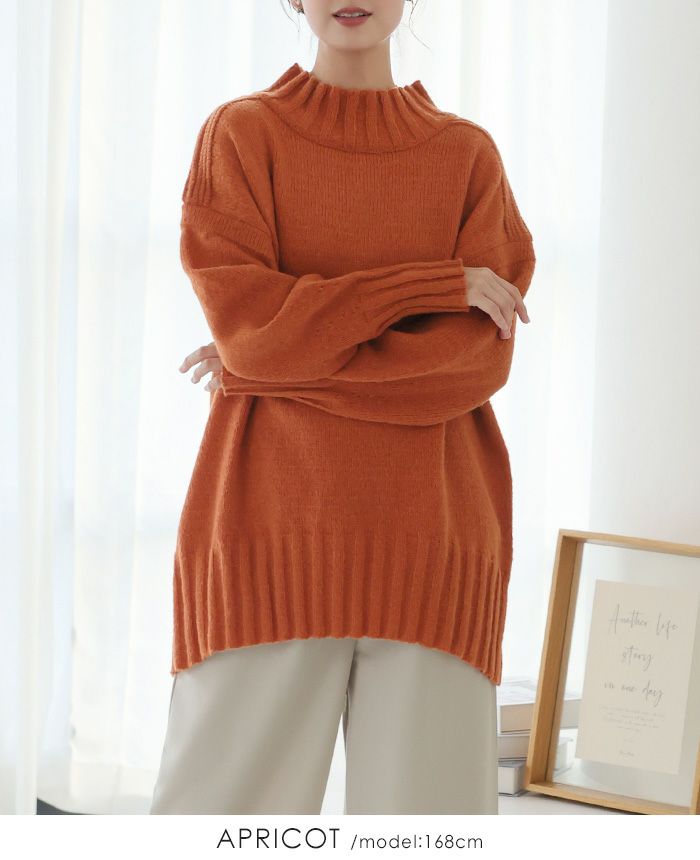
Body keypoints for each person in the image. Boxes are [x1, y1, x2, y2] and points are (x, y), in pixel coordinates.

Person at [149, 0, 536, 815]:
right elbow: (251, 334)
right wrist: (432, 288)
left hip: (437, 552)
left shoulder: (467, 158)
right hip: (264, 543)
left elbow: (468, 366)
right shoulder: (242, 136)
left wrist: (271, 365)